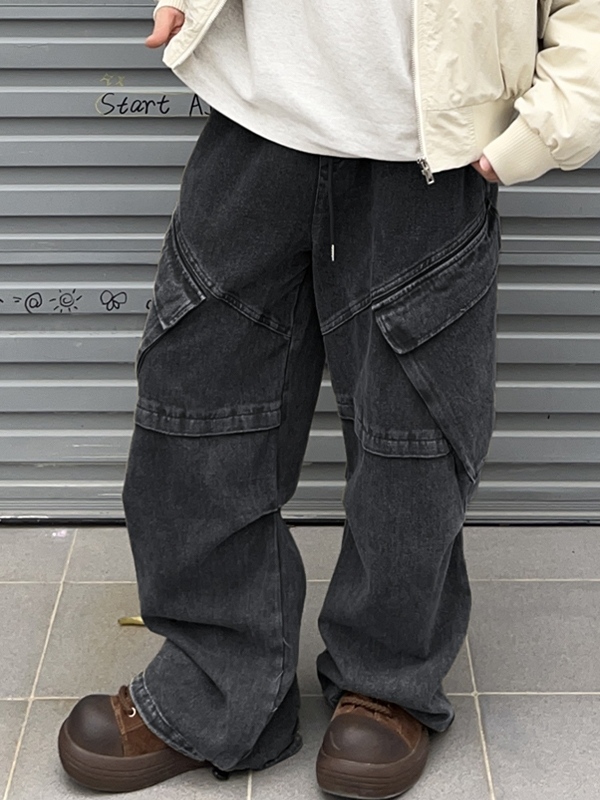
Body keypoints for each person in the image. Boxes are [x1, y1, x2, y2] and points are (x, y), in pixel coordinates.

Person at [57, 1, 600, 797]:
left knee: (413, 438)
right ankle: (216, 684)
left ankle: (388, 681)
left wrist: (552, 119)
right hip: (257, 117)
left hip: (427, 148)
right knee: (196, 407)